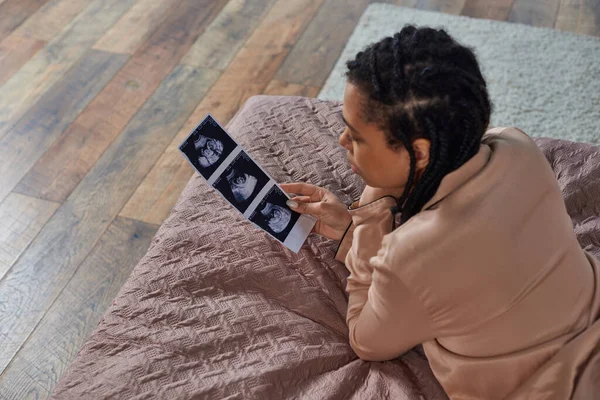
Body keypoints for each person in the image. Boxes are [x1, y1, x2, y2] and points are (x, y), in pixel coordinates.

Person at [281, 25, 600, 400]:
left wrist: (372, 209)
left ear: (418, 153)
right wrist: (351, 230)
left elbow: (367, 342)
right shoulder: (517, 145)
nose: (342, 141)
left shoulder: (411, 253)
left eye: (357, 136)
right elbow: (461, 273)